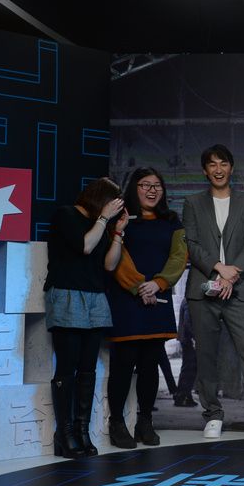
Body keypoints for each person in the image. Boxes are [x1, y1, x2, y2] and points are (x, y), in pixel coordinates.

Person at [182, 144, 244, 439]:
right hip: (203, 291)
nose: (218, 169)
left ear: (231, 167)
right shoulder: (192, 203)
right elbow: (191, 243)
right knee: (206, 355)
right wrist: (218, 268)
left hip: (238, 290)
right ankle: (213, 415)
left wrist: (231, 274)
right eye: (212, 164)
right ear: (205, 170)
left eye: (223, 163)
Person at [44, 178, 128, 458]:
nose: (115, 209)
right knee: (66, 368)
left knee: (88, 370)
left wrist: (118, 233)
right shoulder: (66, 214)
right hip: (67, 294)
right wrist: (103, 219)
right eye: (113, 203)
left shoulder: (101, 225)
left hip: (95, 298)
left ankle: (82, 431)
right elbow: (85, 246)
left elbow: (109, 264)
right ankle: (64, 433)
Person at [106, 167, 188, 448]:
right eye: (145, 185)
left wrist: (158, 284)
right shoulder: (121, 219)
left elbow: (179, 257)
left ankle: (145, 421)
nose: (152, 190)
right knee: (123, 365)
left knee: (150, 365)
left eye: (157, 185)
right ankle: (117, 423)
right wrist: (141, 286)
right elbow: (117, 258)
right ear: (134, 188)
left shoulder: (172, 221)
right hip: (127, 302)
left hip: (158, 299)